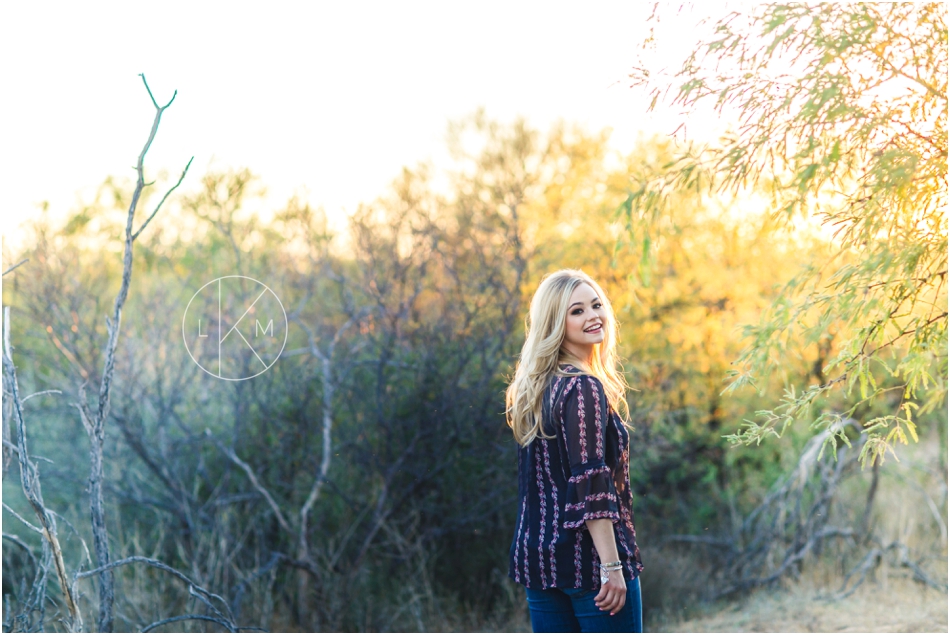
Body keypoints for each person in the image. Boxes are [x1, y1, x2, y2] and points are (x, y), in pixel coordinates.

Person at [505, 269, 644, 633]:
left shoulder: (536, 388)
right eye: (577, 311)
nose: (593, 316)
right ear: (555, 322)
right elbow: (591, 484)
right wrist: (612, 566)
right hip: (590, 567)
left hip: (540, 561)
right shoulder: (581, 387)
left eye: (596, 305)